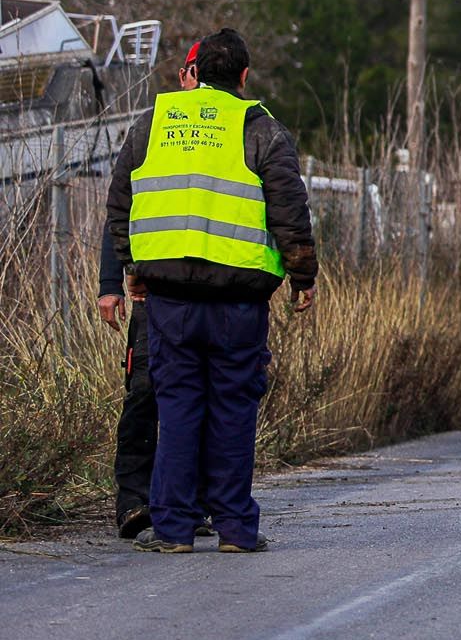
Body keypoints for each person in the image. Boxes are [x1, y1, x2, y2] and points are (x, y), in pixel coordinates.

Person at [103, 28, 317, 553]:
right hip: (238, 303)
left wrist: (131, 270)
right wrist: (303, 276)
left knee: (175, 411)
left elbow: (120, 202)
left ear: (194, 74)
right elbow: (290, 212)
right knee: (233, 413)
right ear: (244, 77)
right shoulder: (261, 130)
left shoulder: (153, 123)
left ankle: (173, 530)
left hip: (169, 302)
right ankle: (236, 530)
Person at [94, 44, 209, 539]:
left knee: (201, 398)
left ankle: (191, 503)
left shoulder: (235, 133)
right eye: (194, 74)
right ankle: (133, 502)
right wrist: (109, 285)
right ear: (183, 75)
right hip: (151, 294)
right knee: (144, 394)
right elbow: (121, 206)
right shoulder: (153, 128)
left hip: (208, 292)